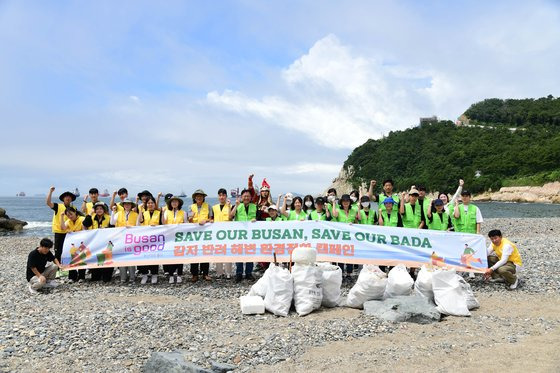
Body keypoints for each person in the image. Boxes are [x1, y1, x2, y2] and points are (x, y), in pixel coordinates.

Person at [229, 189, 257, 282]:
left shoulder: (254, 206)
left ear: (250, 197)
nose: (246, 198)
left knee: (250, 253)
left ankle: (249, 273)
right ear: (241, 197)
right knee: (239, 254)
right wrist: (236, 206)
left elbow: (259, 218)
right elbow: (230, 216)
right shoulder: (237, 205)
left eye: (248, 196)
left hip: (251, 235)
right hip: (240, 235)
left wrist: (255, 220)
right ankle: (239, 273)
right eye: (244, 196)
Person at [110, 199, 138, 284]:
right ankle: (123, 277)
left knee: (131, 258)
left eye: (129, 204)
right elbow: (112, 222)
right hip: (120, 239)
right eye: (125, 204)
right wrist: (113, 212)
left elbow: (138, 227)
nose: (127, 205)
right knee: (121, 257)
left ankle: (132, 277)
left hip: (131, 239)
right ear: (123, 205)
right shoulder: (118, 213)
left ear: (131, 205)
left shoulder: (135, 214)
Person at [46, 186, 77, 262]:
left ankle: (67, 265)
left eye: (69, 197)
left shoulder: (74, 208)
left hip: (69, 233)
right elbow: (48, 203)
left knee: (68, 250)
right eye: (66, 197)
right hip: (59, 232)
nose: (68, 198)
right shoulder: (58, 206)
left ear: (71, 199)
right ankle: (58, 268)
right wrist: (50, 191)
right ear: (63, 198)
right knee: (58, 251)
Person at [332, 194, 358, 281]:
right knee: (341, 255)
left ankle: (349, 274)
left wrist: (354, 224)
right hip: (341, 237)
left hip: (351, 237)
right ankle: (341, 273)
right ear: (341, 202)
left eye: (347, 201)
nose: (346, 202)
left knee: (350, 254)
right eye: (344, 201)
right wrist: (334, 203)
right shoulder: (338, 210)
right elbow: (334, 215)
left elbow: (357, 221)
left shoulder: (354, 211)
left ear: (350, 202)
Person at [86, 202, 113, 282]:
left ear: (104, 210)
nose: (99, 210)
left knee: (107, 258)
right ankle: (95, 276)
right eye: (97, 209)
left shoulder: (109, 217)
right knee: (95, 257)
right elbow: (86, 224)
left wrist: (105, 229)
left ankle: (106, 276)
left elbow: (113, 228)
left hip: (106, 241)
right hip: (95, 242)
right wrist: (89, 214)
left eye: (101, 208)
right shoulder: (92, 217)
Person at [189, 189, 213, 282]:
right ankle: (194, 274)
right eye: (197, 196)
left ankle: (205, 273)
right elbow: (189, 221)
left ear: (203, 197)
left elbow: (211, 219)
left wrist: (205, 221)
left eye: (201, 196)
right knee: (194, 252)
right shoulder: (191, 207)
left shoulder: (208, 206)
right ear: (194, 198)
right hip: (194, 234)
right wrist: (191, 218)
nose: (199, 197)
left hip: (205, 234)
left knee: (205, 252)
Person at [137, 196, 161, 284]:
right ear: (146, 204)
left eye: (152, 203)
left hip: (155, 239)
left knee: (154, 256)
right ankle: (144, 274)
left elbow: (163, 225)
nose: (150, 204)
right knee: (144, 256)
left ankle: (154, 274)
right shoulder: (144, 213)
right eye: (148, 203)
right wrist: (140, 210)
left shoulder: (159, 213)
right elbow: (139, 222)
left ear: (155, 204)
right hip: (145, 239)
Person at [60, 206, 87, 283]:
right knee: (71, 258)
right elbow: (63, 228)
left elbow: (85, 230)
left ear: (75, 212)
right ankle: (72, 277)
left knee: (81, 259)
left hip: (81, 243)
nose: (70, 216)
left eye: (71, 214)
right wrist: (62, 217)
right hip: (73, 244)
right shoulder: (68, 221)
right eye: (68, 215)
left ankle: (81, 276)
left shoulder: (82, 219)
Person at [163, 196, 186, 284]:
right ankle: (171, 275)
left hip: (180, 238)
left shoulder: (183, 213)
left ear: (179, 203)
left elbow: (186, 224)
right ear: (170, 203)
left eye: (176, 202)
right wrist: (162, 214)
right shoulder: (166, 212)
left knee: (180, 256)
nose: (174, 203)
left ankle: (179, 274)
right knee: (171, 256)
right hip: (169, 238)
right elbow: (164, 223)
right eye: (172, 202)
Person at [213, 188, 233, 279]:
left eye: (223, 195)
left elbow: (230, 218)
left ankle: (228, 272)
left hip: (228, 233)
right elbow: (211, 219)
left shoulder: (231, 206)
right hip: (217, 233)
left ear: (226, 196)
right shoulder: (214, 207)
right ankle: (219, 272)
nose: (221, 197)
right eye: (220, 195)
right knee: (218, 252)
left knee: (228, 252)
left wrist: (229, 206)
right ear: (218, 196)